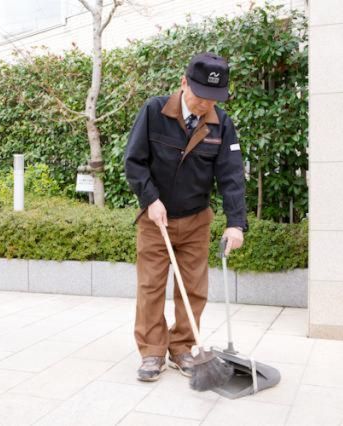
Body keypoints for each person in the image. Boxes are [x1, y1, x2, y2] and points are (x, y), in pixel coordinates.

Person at [123, 52, 248, 382]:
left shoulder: (221, 124)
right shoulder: (154, 111)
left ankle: (183, 348)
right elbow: (134, 161)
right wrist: (150, 199)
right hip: (156, 220)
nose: (205, 104)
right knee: (151, 286)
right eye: (200, 95)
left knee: (193, 289)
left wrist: (236, 223)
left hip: (196, 220)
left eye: (213, 98)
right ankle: (152, 351)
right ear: (183, 83)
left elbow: (232, 176)